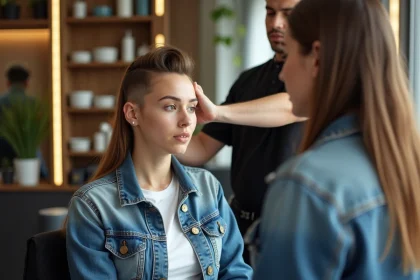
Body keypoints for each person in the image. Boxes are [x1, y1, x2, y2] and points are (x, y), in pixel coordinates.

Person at [251, 0, 420, 278]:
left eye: (290, 54)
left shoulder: (307, 185)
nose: (282, 72)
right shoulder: (406, 166)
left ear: (316, 58)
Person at [66, 46, 253, 280]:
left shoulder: (207, 187)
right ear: (133, 114)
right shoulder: (92, 206)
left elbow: (235, 272)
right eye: (171, 107)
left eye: (192, 107)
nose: (187, 120)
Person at [177, 0, 303, 264]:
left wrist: (218, 112)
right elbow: (201, 148)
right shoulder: (248, 81)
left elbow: (290, 107)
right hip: (239, 229)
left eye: (287, 14)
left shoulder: (318, 78)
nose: (276, 23)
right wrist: (154, 137)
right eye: (270, 13)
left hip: (293, 231)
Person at [0, 65, 48, 178]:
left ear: (8, 83)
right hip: (28, 154)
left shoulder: (1, 102)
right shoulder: (32, 103)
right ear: (27, 83)